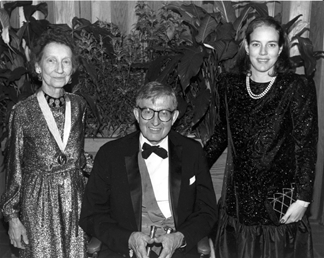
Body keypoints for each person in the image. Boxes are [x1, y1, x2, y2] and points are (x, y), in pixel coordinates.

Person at [203, 16, 318, 258]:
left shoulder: (297, 87)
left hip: (279, 203)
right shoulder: (229, 84)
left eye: (271, 45)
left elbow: (305, 145)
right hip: (238, 201)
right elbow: (222, 134)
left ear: (281, 48)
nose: (263, 52)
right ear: (246, 46)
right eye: (256, 44)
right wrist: (192, 168)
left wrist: (303, 199)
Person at [79, 81, 218, 258]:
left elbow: (207, 211)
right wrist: (128, 239)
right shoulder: (110, 154)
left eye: (164, 113)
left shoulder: (192, 152)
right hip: (124, 250)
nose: (155, 121)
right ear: (137, 114)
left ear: (174, 117)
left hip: (178, 250)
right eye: (147, 112)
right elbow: (91, 215)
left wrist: (180, 237)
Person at [0, 28, 88, 257]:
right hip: (38, 203)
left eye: (66, 62)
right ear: (38, 68)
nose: (59, 69)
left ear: (72, 70)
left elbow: (78, 156)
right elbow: (14, 167)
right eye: (51, 61)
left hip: (74, 200)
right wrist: (12, 218)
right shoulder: (23, 111)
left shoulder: (79, 106)